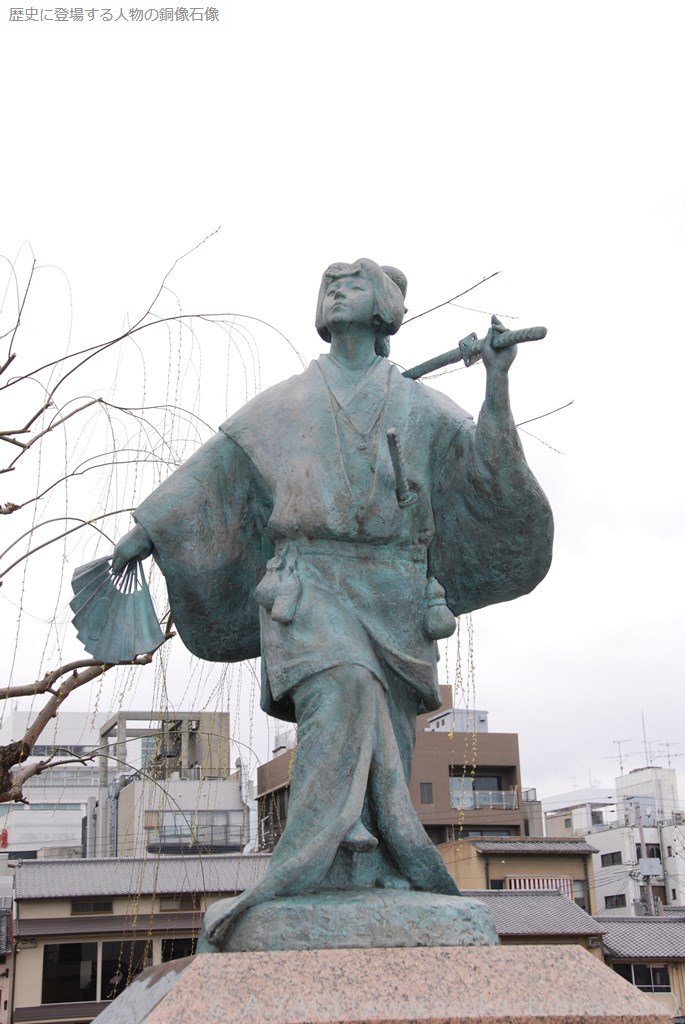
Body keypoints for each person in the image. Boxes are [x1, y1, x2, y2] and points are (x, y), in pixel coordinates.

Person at [112, 259, 553, 948]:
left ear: (384, 311)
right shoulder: (286, 402)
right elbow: (215, 470)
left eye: (356, 282)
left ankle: (377, 861)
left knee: (393, 736)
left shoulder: (419, 406)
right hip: (309, 585)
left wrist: (495, 383)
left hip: (397, 591)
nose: (339, 289)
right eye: (331, 283)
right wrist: (149, 530)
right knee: (341, 693)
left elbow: (485, 469)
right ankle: (302, 869)